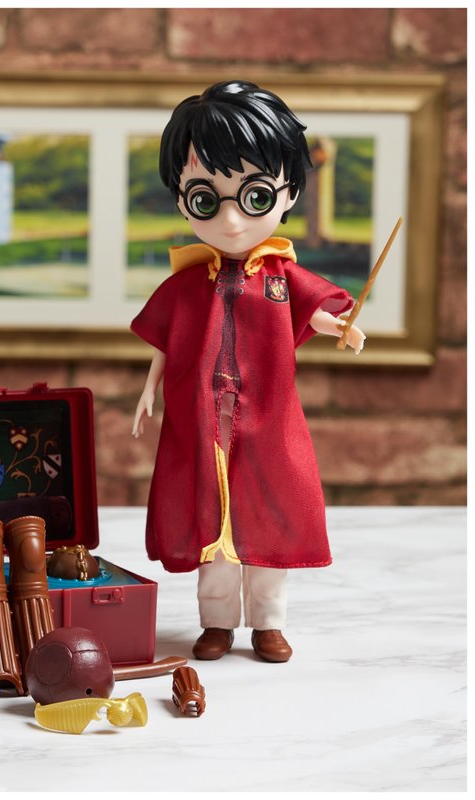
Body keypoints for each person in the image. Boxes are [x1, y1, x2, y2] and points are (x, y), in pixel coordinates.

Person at [131, 80, 365, 663]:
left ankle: (268, 622)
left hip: (268, 423)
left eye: (255, 196)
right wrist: (148, 390)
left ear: (288, 193)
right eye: (205, 199)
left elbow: (316, 312)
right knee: (209, 528)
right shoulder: (187, 283)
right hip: (200, 422)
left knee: (268, 522)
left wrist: (341, 327)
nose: (232, 221)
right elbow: (165, 342)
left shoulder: (282, 277)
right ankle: (216, 622)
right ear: (181, 199)